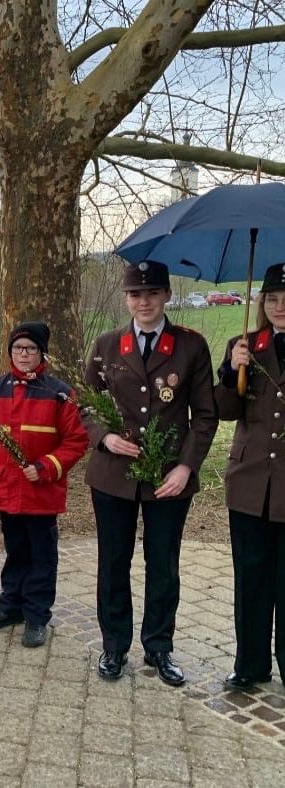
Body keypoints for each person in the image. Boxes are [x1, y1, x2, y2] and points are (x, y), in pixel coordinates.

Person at [84, 261, 217, 685]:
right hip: (113, 475)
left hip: (167, 477)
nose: (144, 301)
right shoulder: (107, 344)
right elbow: (85, 403)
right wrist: (103, 437)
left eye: (152, 293)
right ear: (126, 299)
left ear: (166, 296)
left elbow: (205, 415)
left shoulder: (190, 346)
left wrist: (186, 467)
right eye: (135, 294)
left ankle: (159, 647)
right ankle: (115, 645)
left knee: (163, 565)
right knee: (113, 562)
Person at [0, 322, 88, 646]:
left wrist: (47, 466)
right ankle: (11, 607)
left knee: (41, 556)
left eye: (31, 348)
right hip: (5, 489)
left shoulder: (59, 393)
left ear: (40, 353)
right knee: (15, 551)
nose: (24, 354)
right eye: (18, 348)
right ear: (10, 352)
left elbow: (76, 441)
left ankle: (37, 616)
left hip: (41, 494)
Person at [215, 262, 285, 690]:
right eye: (273, 299)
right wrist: (230, 371)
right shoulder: (244, 345)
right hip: (250, 483)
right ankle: (251, 663)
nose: (280, 307)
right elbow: (226, 411)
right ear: (262, 303)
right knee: (252, 578)